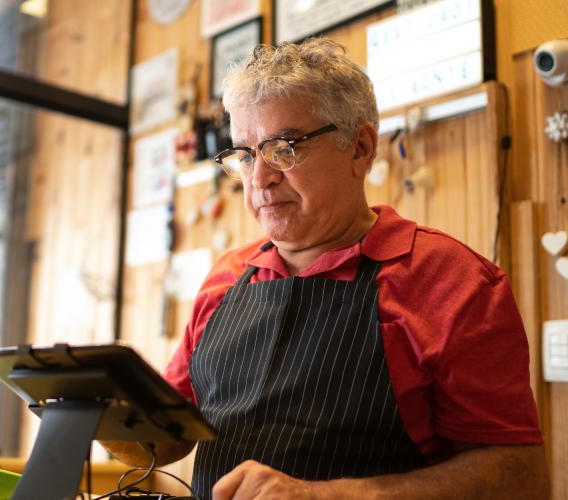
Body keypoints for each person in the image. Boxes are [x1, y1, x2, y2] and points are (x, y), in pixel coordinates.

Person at [103, 38, 548, 499]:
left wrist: (326, 496)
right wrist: (93, 406)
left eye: (285, 147)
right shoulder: (226, 278)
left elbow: (521, 478)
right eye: (246, 154)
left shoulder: (451, 282)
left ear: (359, 146)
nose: (260, 179)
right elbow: (168, 437)